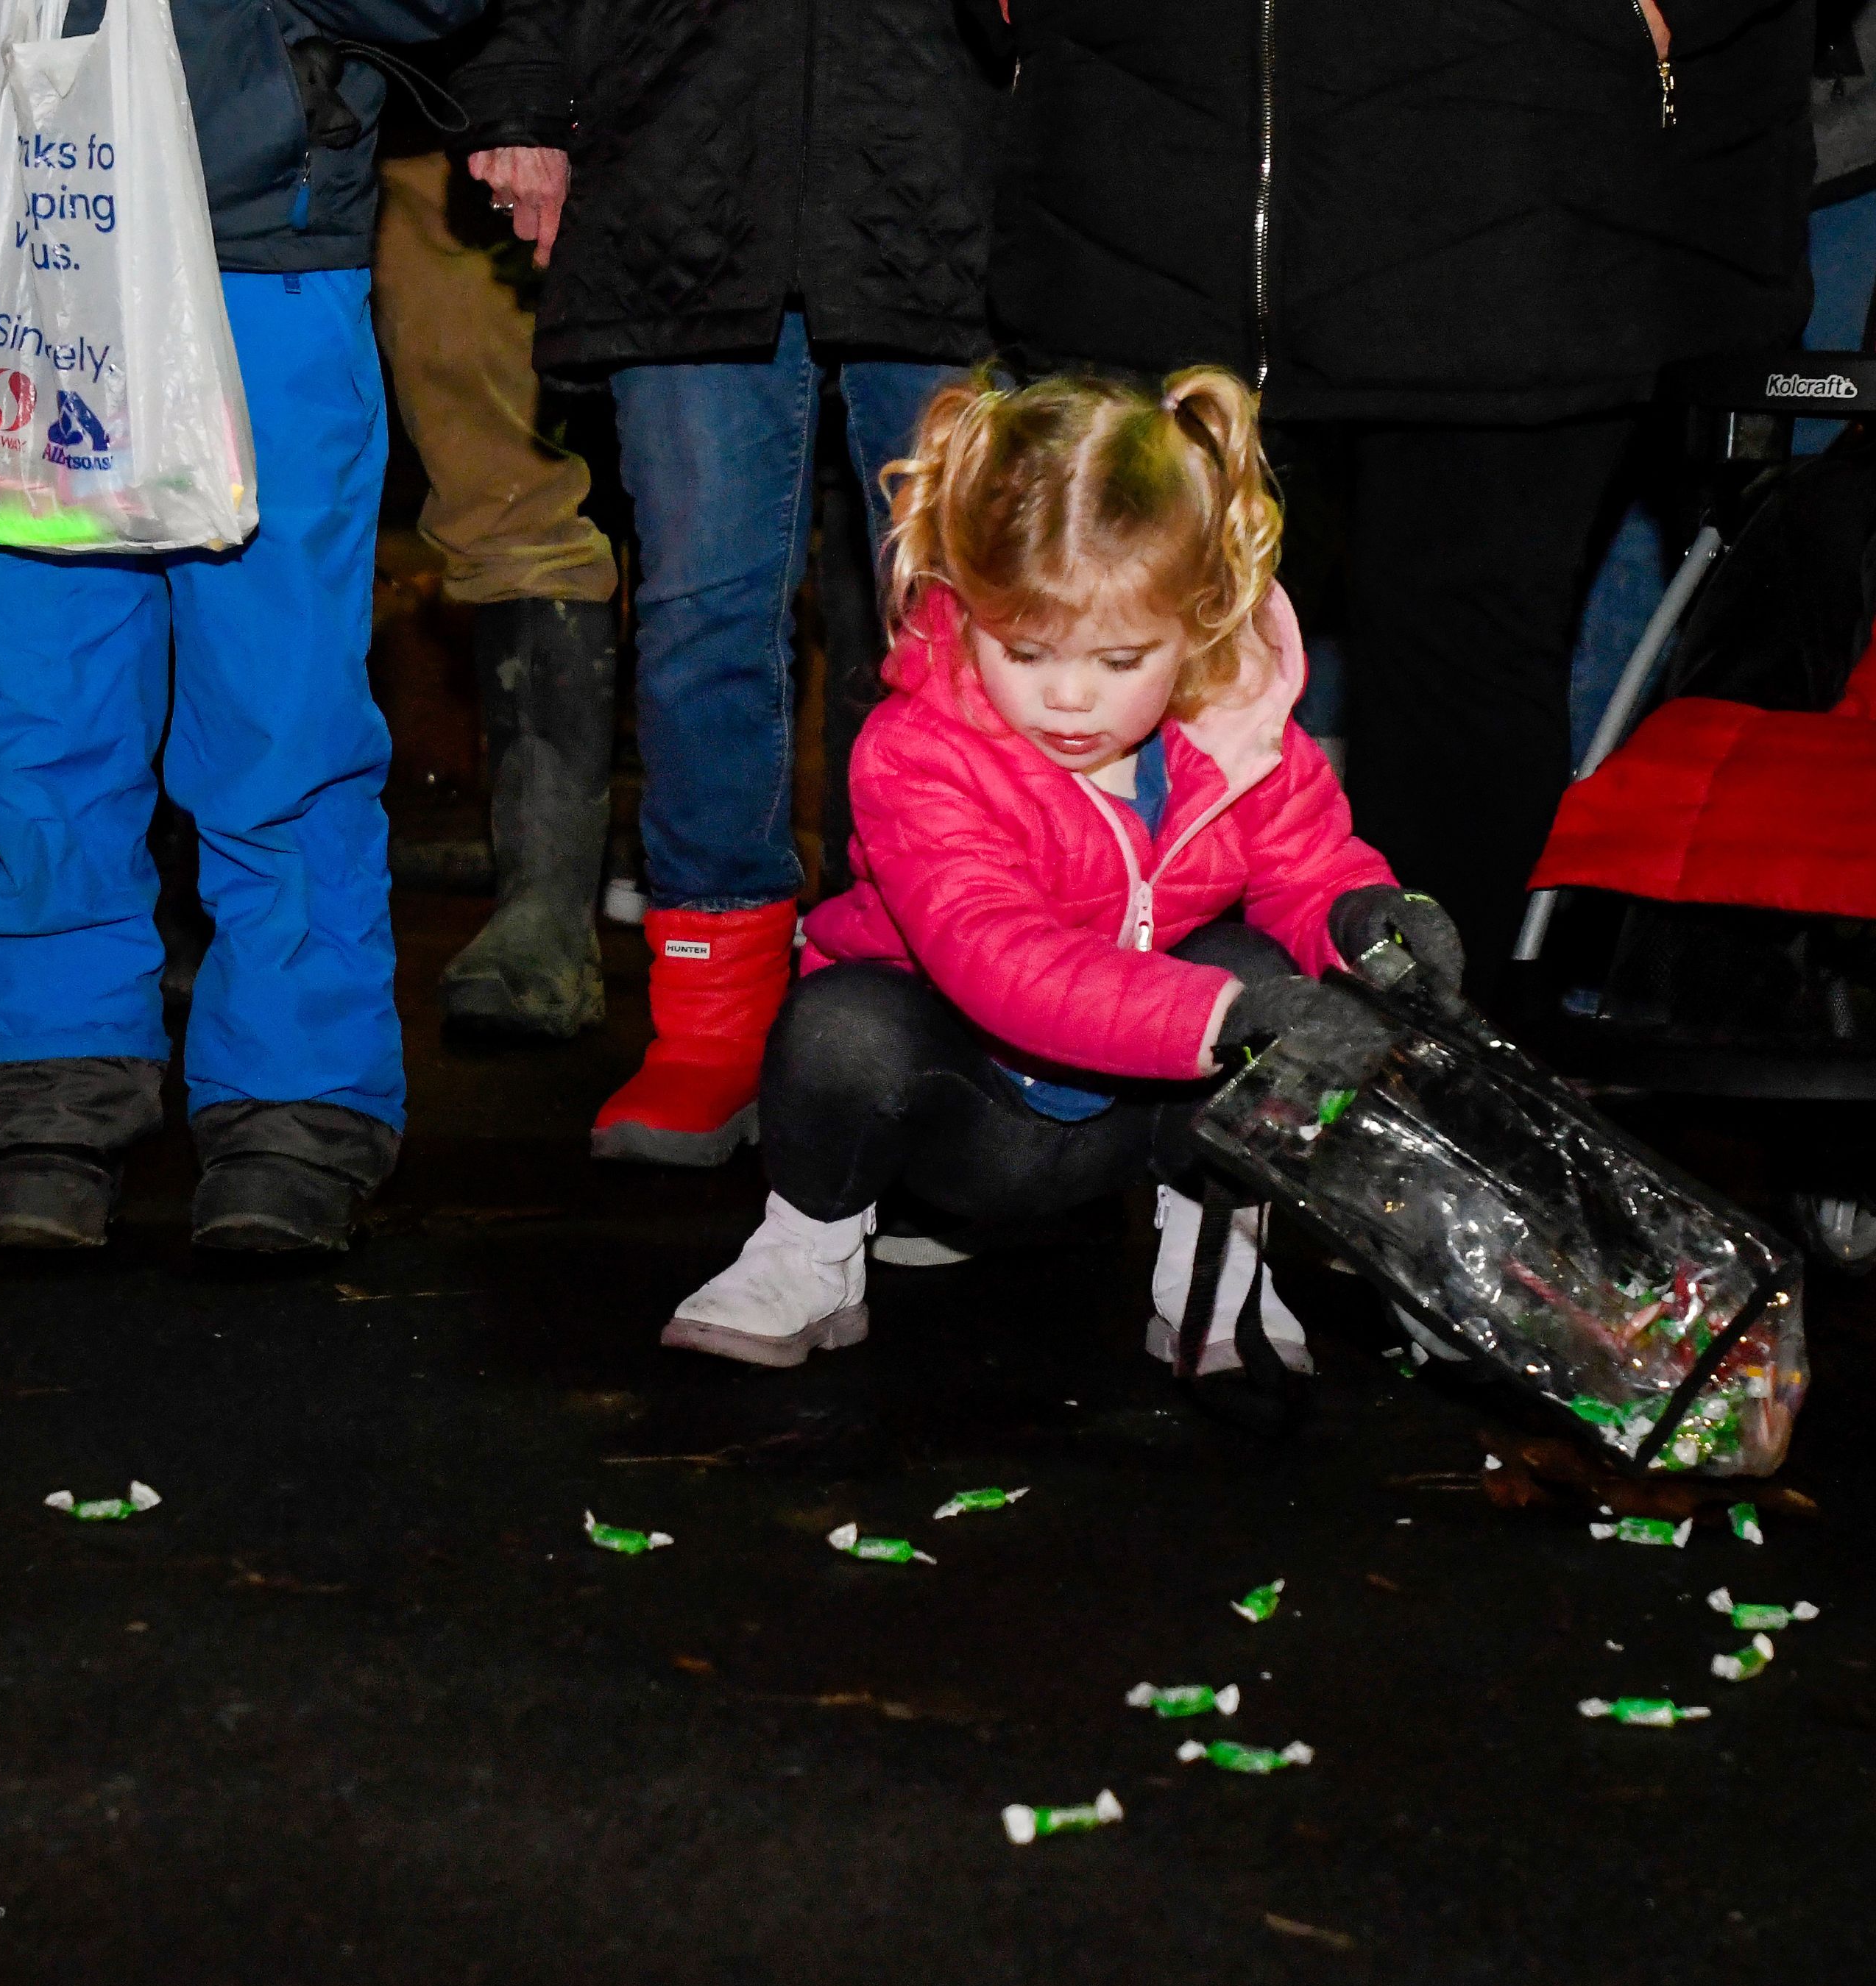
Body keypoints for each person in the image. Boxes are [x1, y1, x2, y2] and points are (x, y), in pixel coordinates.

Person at [663, 366, 1465, 1434]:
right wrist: (1214, 1020)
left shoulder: (1235, 735)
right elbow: (998, 956)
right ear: (966, 602)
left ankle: (1213, 1266)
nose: (1072, 695)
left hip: (1141, 1125)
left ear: (1197, 622)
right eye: (1025, 650)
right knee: (839, 1026)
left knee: (1263, 966)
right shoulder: (919, 753)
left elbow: (1308, 862)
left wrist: (1368, 920)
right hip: (970, 1117)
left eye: (1121, 658)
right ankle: (810, 1249)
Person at [988, 0, 1813, 1003]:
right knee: (1116, 668)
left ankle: (1429, 1097)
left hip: (1518, 148)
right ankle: (1123, 1099)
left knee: (1459, 673)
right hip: (1148, 138)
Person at [0, 0, 486, 1257]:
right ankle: (48, 1081)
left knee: (281, 711)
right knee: (32, 695)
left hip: (264, 245)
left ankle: (295, 1098)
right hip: (37, 240)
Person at [457, 0, 1004, 1163]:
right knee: (701, 620)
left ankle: (931, 997)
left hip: (940, 150)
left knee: (954, 626)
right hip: (679, 155)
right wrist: (521, 94)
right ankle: (713, 1019)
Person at [373, 56, 620, 1041]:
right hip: (342, 109)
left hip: (486, 102)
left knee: (519, 494)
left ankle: (548, 909)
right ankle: (535, 863)